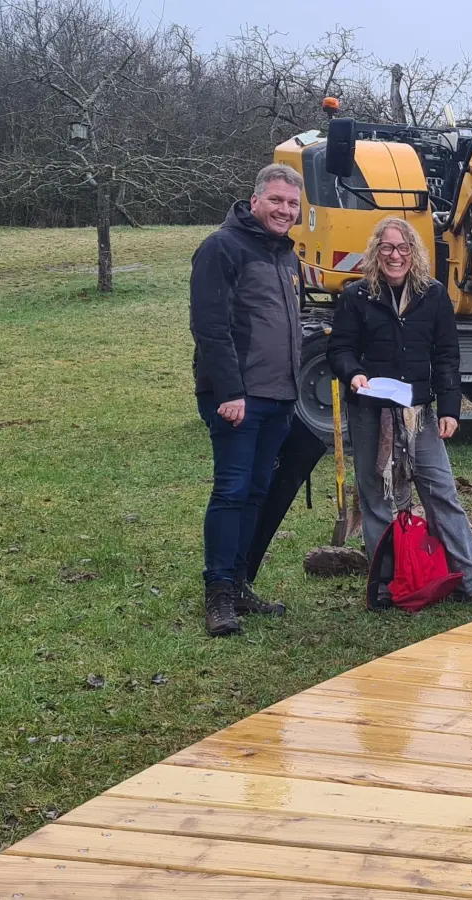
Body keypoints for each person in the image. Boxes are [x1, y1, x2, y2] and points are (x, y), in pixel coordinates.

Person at [328, 217, 472, 608]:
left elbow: (446, 356)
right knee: (376, 497)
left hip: (418, 413)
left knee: (442, 492)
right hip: (370, 411)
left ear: (414, 253)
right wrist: (353, 374)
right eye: (388, 248)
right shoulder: (357, 296)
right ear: (376, 252)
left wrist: (451, 409)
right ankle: (388, 584)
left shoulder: (433, 295)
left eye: (403, 248)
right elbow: (338, 350)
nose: (396, 255)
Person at [189, 163, 304, 637]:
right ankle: (217, 592)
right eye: (276, 200)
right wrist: (230, 392)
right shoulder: (222, 247)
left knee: (256, 492)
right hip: (239, 399)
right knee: (232, 491)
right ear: (255, 200)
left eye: (293, 204)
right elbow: (210, 326)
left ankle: (238, 583)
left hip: (279, 397)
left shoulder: (285, 255)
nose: (284, 210)